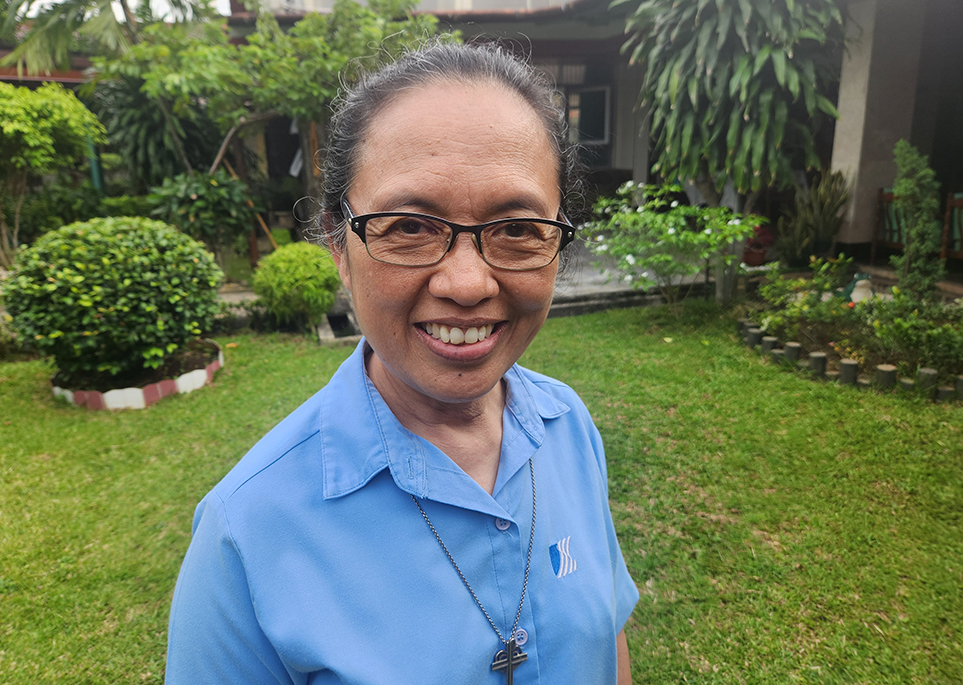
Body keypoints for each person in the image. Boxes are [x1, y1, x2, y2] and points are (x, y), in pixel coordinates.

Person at [165, 41, 638, 684]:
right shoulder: (246, 533)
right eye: (410, 227)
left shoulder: (569, 427)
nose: (467, 284)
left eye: (517, 229)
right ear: (339, 245)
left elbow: (606, 639)